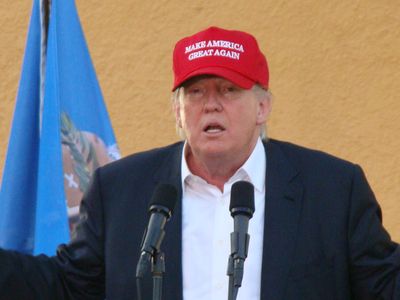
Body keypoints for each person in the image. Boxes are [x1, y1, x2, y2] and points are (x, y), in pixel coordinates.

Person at [0, 26, 399, 300]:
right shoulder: (121, 190)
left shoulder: (332, 189)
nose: (211, 103)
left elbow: (383, 284)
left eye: (228, 89)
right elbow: (69, 286)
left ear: (263, 107)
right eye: (195, 92)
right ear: (177, 110)